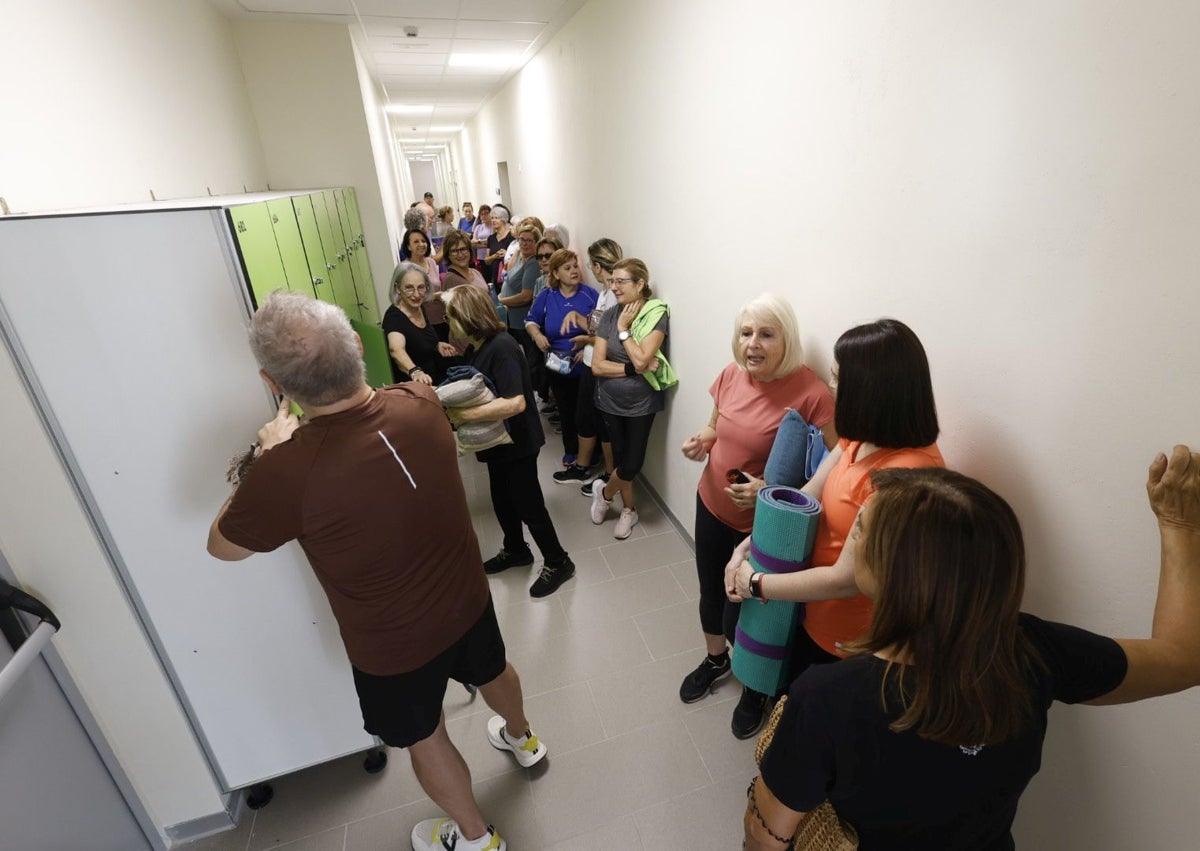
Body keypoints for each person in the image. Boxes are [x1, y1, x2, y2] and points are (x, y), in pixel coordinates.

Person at [206, 291, 545, 851]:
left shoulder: (287, 471)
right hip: (465, 599)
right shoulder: (421, 401)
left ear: (273, 383)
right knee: (492, 669)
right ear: (358, 348)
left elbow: (224, 546)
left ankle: (477, 839)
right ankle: (522, 739)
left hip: (393, 645)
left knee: (425, 735)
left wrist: (266, 458)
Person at [746, 452, 1200, 850]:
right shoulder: (1034, 649)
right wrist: (1179, 527)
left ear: (899, 578)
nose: (848, 543)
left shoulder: (828, 699)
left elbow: (767, 835)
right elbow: (1183, 658)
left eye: (860, 530)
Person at [724, 318, 944, 738]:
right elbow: (805, 499)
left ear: (874, 391)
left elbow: (848, 580)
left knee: (818, 733)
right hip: (807, 607)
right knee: (790, 709)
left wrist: (756, 584)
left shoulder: (911, 478)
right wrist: (747, 548)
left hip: (849, 637)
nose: (830, 387)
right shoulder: (857, 438)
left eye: (839, 378)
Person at [678, 295, 837, 717]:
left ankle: (755, 684)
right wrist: (702, 439)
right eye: (746, 333)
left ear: (788, 341)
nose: (753, 344)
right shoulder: (732, 375)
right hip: (710, 504)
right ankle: (716, 661)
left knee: (751, 614)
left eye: (767, 334)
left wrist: (766, 488)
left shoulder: (813, 394)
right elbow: (715, 425)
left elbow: (831, 472)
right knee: (711, 591)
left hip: (765, 530)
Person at [442, 285, 576, 598]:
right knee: (502, 500)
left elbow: (516, 402)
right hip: (496, 442)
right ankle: (516, 549)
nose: (449, 323)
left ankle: (558, 562)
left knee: (529, 505)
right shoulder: (477, 347)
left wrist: (465, 416)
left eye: (452, 317)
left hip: (518, 441)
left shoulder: (502, 346)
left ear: (468, 316)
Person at [588, 258, 669, 540]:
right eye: (612, 281)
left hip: (641, 403)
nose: (614, 287)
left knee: (632, 462)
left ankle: (605, 492)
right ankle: (629, 509)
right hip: (609, 401)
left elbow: (643, 356)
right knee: (621, 458)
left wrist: (624, 329)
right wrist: (632, 369)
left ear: (640, 284)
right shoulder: (608, 315)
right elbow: (597, 366)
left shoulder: (655, 313)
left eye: (621, 281)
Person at [524, 249, 600, 475]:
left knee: (585, 411)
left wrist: (587, 347)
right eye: (567, 268)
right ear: (555, 273)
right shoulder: (547, 296)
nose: (574, 271)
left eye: (575, 266)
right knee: (566, 410)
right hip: (557, 363)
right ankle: (571, 450)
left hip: (584, 365)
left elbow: (600, 332)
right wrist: (537, 335)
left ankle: (591, 454)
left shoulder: (590, 295)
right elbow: (530, 320)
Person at [381, 262, 459, 385]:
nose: (416, 294)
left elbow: (418, 338)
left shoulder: (419, 308)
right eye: (409, 288)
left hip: (434, 380)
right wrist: (415, 372)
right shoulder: (394, 317)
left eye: (421, 287)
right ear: (397, 288)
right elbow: (396, 350)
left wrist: (437, 345)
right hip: (415, 388)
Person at [399, 228, 445, 325]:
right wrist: (434, 296)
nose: (421, 244)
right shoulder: (405, 268)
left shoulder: (431, 262)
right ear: (408, 246)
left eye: (423, 241)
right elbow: (406, 299)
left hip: (442, 317)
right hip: (421, 321)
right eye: (416, 242)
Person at [482, 205, 513, 286]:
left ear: (503, 220)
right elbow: (486, 261)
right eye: (492, 218)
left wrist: (507, 254)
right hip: (494, 276)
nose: (493, 220)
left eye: (496, 218)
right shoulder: (491, 238)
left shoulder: (511, 237)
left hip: (509, 275)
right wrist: (494, 256)